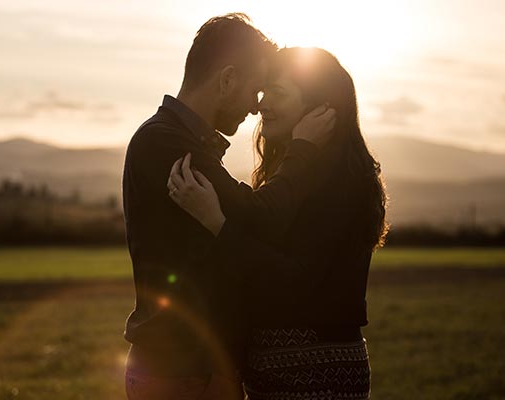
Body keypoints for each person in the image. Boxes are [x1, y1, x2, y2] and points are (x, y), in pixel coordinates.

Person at [122, 15, 338, 399]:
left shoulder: (180, 140)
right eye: (255, 90)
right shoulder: (168, 145)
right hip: (183, 371)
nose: (257, 108)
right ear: (226, 80)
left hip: (196, 368)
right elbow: (259, 215)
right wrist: (303, 149)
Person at [168, 47, 388, 400]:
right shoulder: (292, 175)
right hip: (280, 380)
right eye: (264, 90)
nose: (261, 104)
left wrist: (216, 224)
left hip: (318, 379)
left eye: (278, 93)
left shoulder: (340, 182)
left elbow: (292, 281)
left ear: (320, 108)